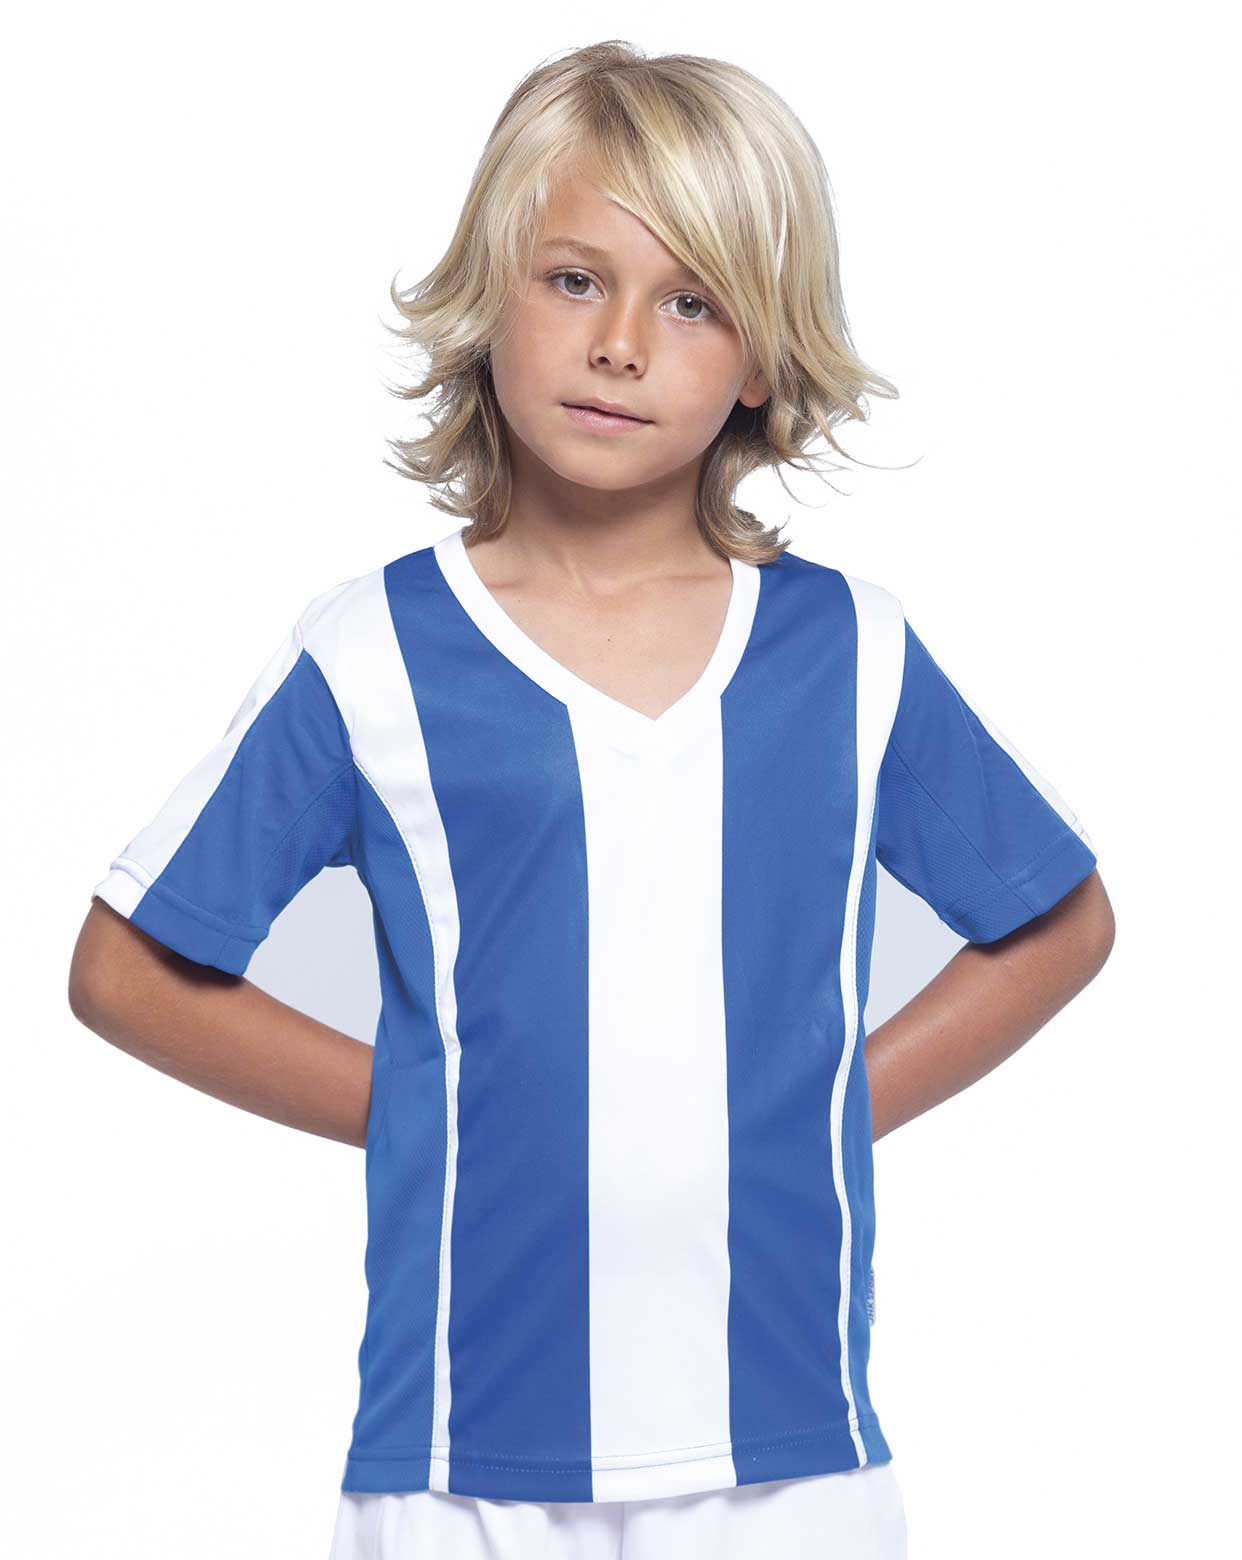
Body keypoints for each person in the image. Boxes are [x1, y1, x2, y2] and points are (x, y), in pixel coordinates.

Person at [67, 39, 1115, 1560]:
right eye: (574, 280)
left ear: (760, 360)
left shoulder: (853, 655)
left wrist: (821, 1111)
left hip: (789, 1454)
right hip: (455, 1459)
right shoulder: (371, 655)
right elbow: (126, 970)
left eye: (691, 302)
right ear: (489, 297)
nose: (621, 343)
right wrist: (427, 1115)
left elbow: (1059, 922)